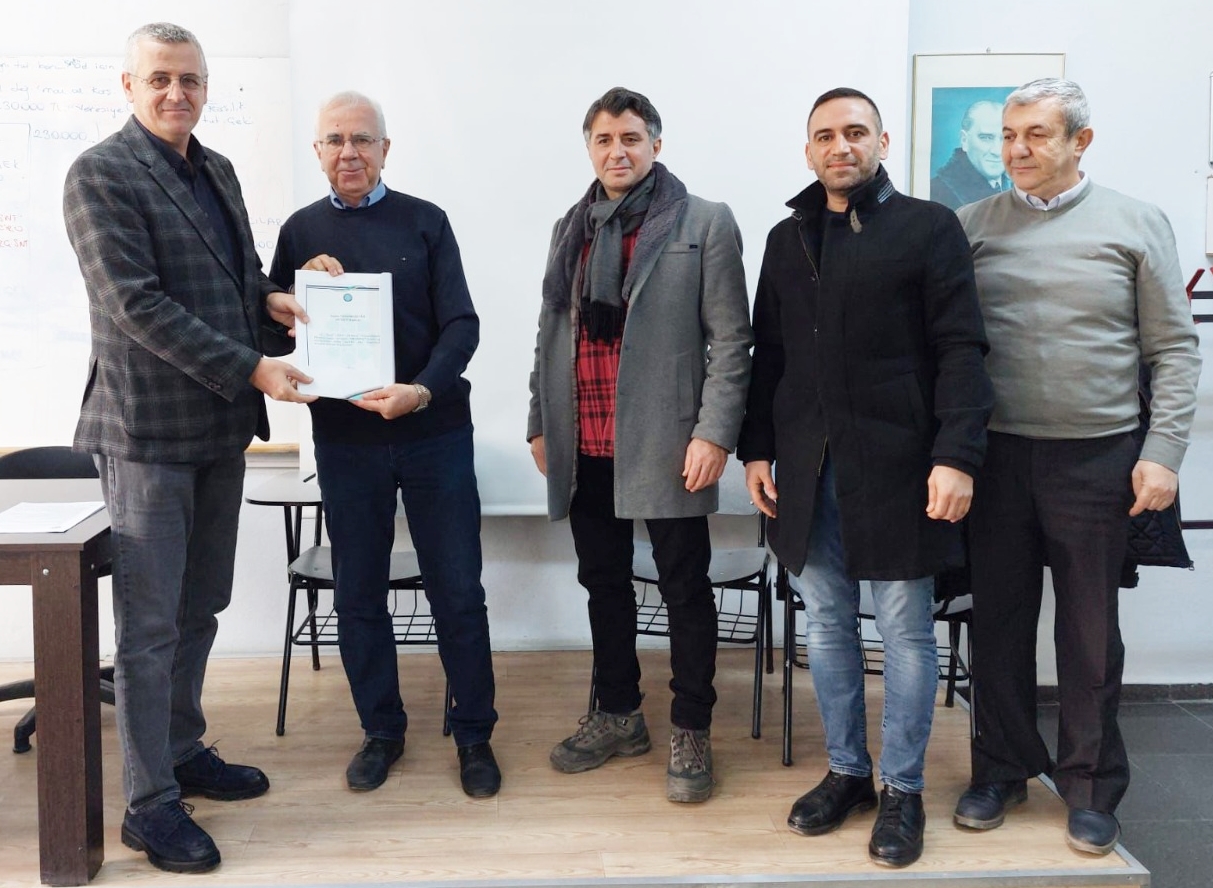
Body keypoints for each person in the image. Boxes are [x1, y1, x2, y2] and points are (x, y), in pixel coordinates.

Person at [62, 22, 315, 874]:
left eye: (192, 80)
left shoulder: (219, 170)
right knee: (149, 625)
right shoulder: (99, 174)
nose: (178, 93)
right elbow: (134, 303)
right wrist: (252, 365)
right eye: (161, 78)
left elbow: (234, 278)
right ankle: (148, 806)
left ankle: (180, 748)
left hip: (218, 427)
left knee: (200, 604)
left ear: (206, 88)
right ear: (128, 86)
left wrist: (270, 301)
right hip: (146, 433)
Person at [737, 87, 993, 868]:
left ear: (881, 141)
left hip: (901, 467)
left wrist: (955, 455)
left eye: (854, 132)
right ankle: (847, 772)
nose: (839, 146)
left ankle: (902, 789)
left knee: (905, 631)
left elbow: (960, 348)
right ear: (807, 150)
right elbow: (768, 354)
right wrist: (755, 450)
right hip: (806, 471)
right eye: (824, 135)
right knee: (826, 624)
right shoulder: (787, 237)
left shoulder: (927, 227)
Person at [952, 78, 1201, 856]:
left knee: (1090, 635)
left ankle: (1089, 787)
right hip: (995, 458)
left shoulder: (1135, 222)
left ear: (1079, 141)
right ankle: (999, 770)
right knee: (996, 625)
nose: (1016, 149)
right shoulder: (969, 225)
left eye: (1035, 134)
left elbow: (1173, 348)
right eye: (1008, 135)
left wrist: (1161, 453)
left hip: (1099, 458)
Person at [269, 91, 500, 800]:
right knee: (358, 593)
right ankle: (381, 731)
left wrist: (420, 391)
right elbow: (268, 326)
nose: (349, 153)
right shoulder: (300, 232)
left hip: (433, 433)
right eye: (335, 140)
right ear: (317, 151)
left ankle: (473, 734)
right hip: (346, 442)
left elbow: (462, 325)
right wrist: (296, 300)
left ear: (385, 150)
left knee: (456, 590)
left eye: (362, 140)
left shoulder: (426, 221)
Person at [527, 86, 752, 803]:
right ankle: (618, 713)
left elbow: (732, 341)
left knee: (684, 587)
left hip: (668, 442)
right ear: (589, 149)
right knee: (603, 582)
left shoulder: (703, 221)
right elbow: (549, 333)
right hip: (584, 438)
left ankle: (691, 728)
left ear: (656, 143)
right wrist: (539, 420)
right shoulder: (571, 227)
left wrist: (714, 433)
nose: (616, 151)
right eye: (603, 139)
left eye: (630, 138)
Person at [930, 100, 1010, 210]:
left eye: (1006, 138)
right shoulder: (937, 192)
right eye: (986, 138)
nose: (997, 151)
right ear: (964, 140)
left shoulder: (1022, 187)